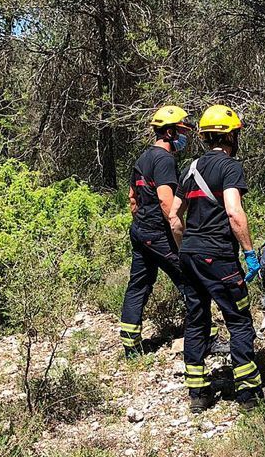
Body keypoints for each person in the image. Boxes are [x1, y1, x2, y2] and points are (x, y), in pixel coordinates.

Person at [170, 104, 261, 412]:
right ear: (231, 136)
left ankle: (197, 394)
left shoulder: (190, 169)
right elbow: (235, 213)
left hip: (191, 256)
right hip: (219, 257)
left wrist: (186, 248)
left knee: (196, 320)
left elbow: (173, 217)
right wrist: (250, 254)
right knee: (238, 318)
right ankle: (248, 394)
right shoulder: (230, 167)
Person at [119, 106, 194, 359]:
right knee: (189, 279)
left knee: (138, 285)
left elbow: (132, 198)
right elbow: (166, 202)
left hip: (140, 230)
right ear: (170, 132)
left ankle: (130, 345)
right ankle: (204, 334)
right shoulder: (164, 160)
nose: (185, 136)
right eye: (182, 131)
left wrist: (142, 223)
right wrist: (178, 236)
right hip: (158, 233)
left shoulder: (142, 158)